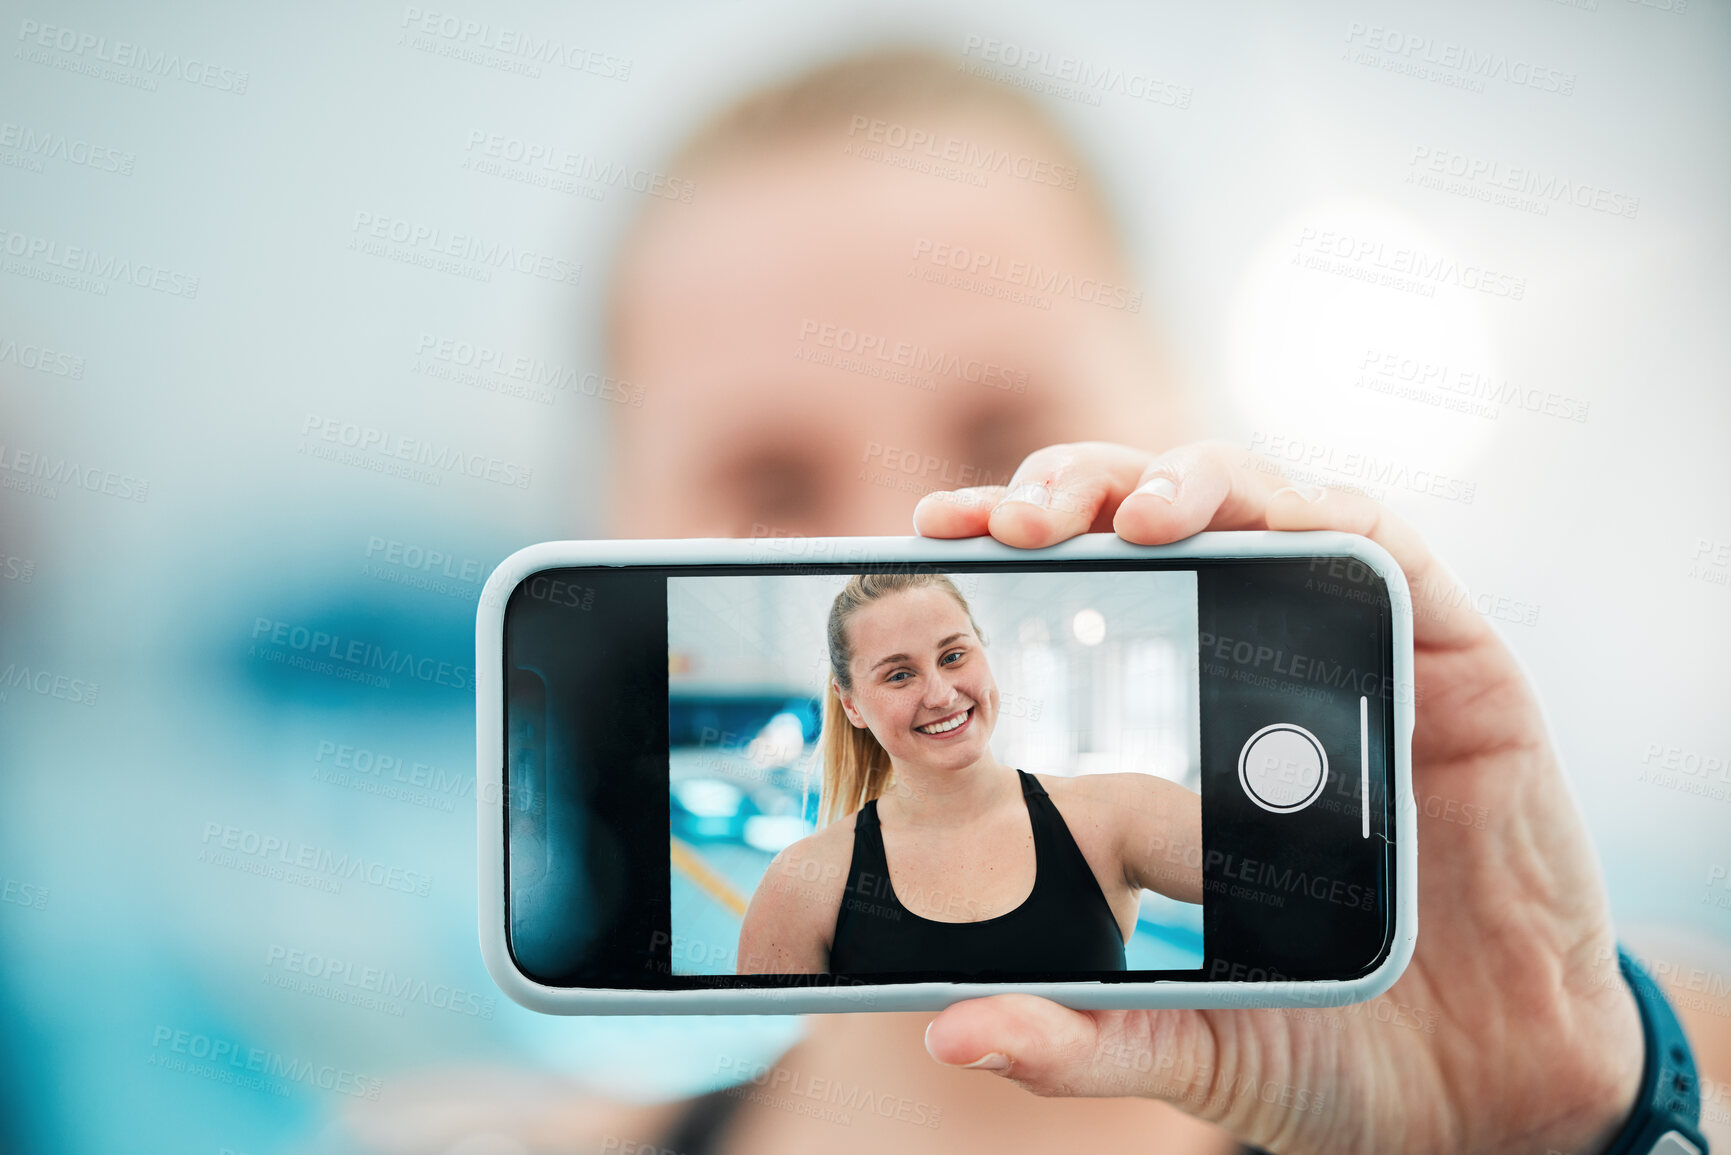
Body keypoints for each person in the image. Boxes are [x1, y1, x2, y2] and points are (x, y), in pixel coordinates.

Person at [342, 46, 1726, 1155]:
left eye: (1003, 426)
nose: (899, 538)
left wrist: (1568, 1124)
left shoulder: (1613, 1056)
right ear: (604, 541)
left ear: (1176, 432)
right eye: (767, 477)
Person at [735, 571, 1202, 976]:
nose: (941, 695)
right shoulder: (804, 881)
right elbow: (774, 1068)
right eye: (899, 675)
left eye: (953, 656)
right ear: (851, 703)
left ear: (982, 647)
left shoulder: (1113, 817)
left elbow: (1271, 877)